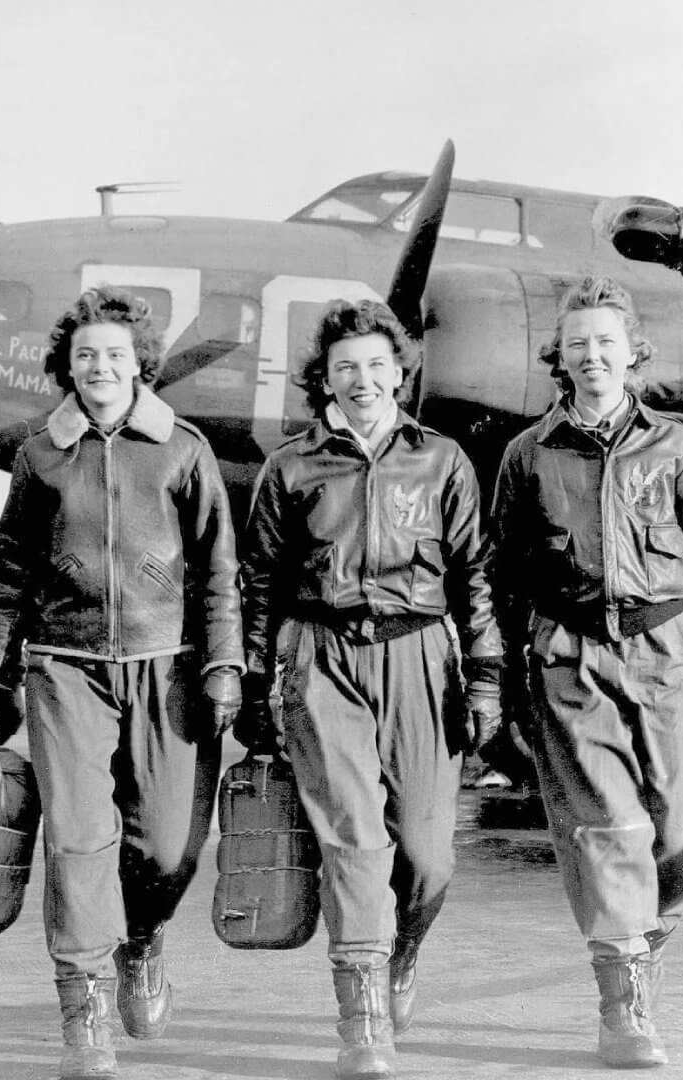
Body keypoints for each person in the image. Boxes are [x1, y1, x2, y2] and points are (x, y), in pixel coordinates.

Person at [491, 276, 683, 1069]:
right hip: (571, 660)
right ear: (560, 356)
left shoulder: (677, 447)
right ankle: (625, 1006)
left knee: (679, 842)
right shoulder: (528, 455)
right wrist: (499, 685)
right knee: (609, 830)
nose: (592, 356)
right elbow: (500, 578)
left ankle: (639, 945)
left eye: (606, 342)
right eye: (577, 343)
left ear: (632, 354)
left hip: (668, 658)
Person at [0, 286, 244, 1080]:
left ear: (139, 364)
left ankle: (144, 938)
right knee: (80, 840)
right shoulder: (38, 457)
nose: (100, 366)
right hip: (66, 667)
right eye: (85, 354)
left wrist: (224, 665)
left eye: (115, 353)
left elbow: (219, 570)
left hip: (171, 667)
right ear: (68, 366)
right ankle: (83, 1015)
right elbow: (10, 576)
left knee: (164, 844)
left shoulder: (184, 450)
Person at [239, 298, 503, 1080]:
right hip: (322, 659)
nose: (362, 379)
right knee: (354, 842)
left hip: (420, 656)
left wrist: (484, 676)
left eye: (376, 365)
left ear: (400, 371)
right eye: (344, 366)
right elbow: (260, 584)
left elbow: (476, 577)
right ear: (322, 377)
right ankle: (363, 1021)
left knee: (426, 857)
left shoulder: (442, 460)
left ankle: (402, 951)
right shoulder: (289, 467)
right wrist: (259, 685)